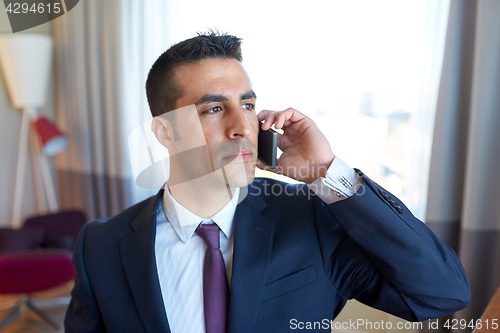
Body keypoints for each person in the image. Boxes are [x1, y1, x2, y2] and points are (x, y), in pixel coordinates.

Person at [64, 31, 470, 333]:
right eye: (212, 109)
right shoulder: (99, 245)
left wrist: (326, 171)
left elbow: (441, 294)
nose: (244, 127)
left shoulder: (311, 221)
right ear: (166, 132)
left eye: (247, 104)